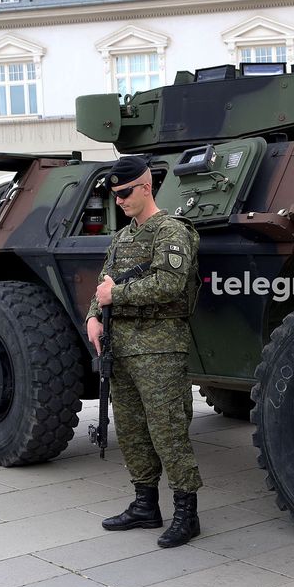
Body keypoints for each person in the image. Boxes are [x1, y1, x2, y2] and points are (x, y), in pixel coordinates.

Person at [86, 155, 202, 548]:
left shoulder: (170, 231)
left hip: (160, 349)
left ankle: (187, 513)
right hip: (122, 347)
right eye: (114, 195)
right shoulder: (122, 238)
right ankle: (145, 505)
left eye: (124, 193)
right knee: (132, 430)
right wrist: (92, 317)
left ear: (146, 187)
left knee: (168, 431)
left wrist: (115, 294)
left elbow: (169, 284)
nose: (118, 201)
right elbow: (103, 284)